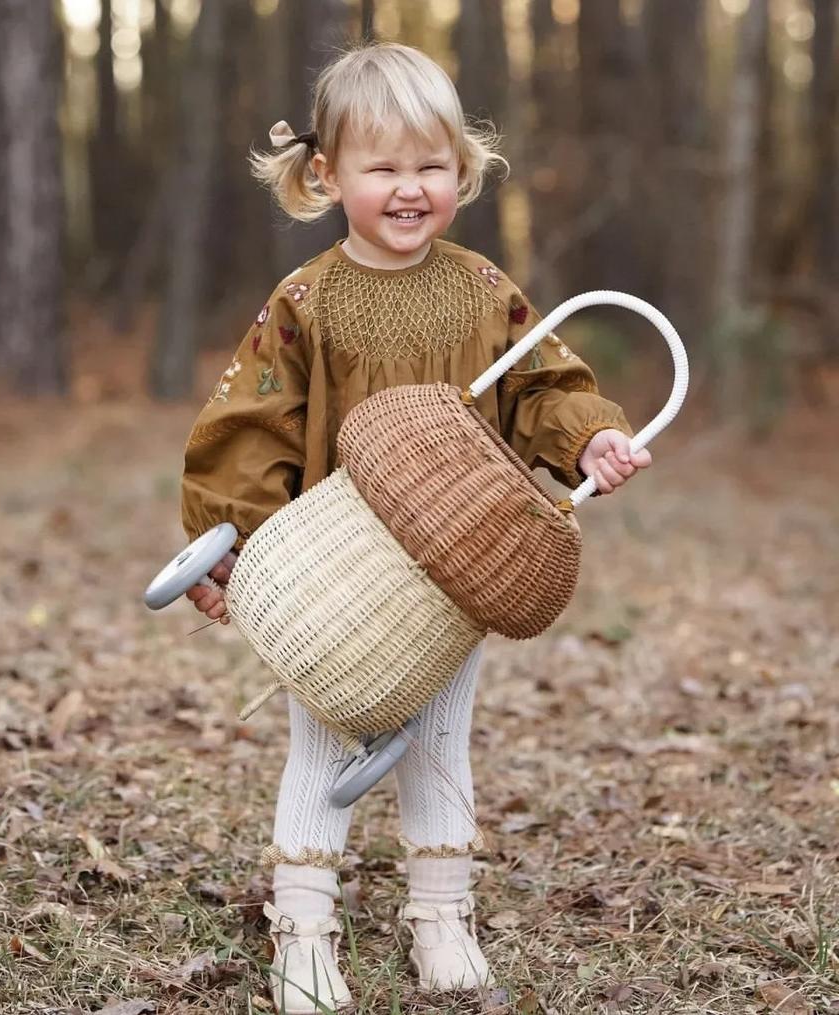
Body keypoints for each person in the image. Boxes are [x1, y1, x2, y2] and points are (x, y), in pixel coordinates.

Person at [178, 42, 651, 1013]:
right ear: (327, 175)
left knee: (439, 741)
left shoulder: (484, 291)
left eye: (429, 166)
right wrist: (228, 538)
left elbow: (542, 385)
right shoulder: (306, 301)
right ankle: (303, 931)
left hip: (454, 575)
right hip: (334, 577)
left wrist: (591, 437)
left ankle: (441, 916)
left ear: (461, 171)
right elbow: (249, 424)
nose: (408, 189)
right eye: (381, 167)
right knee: (323, 743)